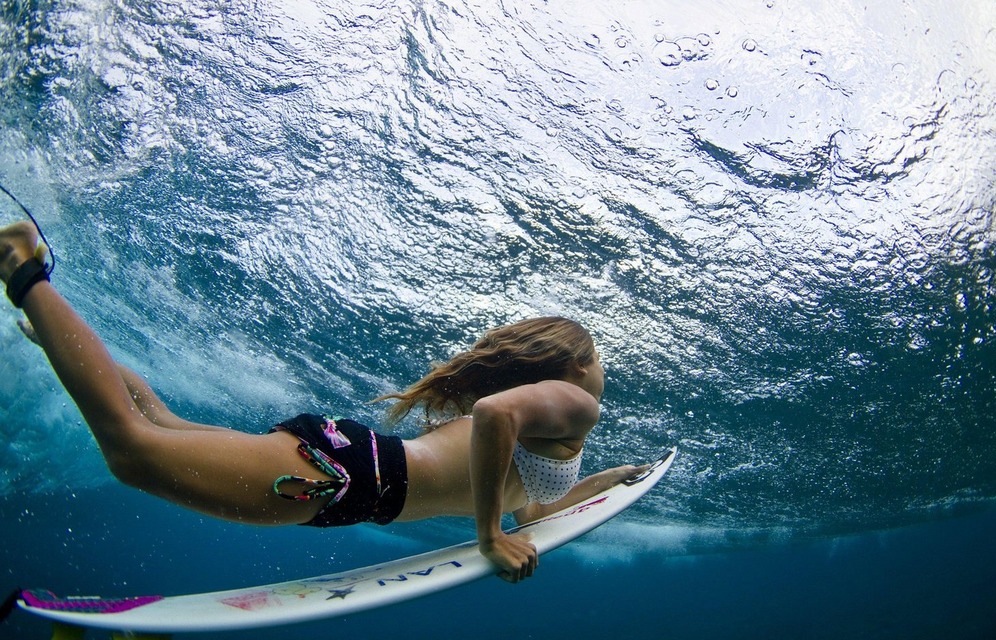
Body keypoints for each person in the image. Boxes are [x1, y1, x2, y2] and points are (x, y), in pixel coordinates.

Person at [1, 220, 644, 582]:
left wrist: (608, 485)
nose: (605, 375)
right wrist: (488, 537)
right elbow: (492, 417)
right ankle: (23, 268)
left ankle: (69, 344)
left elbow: (534, 507)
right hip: (345, 479)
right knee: (132, 453)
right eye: (603, 362)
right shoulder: (575, 404)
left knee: (162, 424)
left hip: (353, 469)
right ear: (578, 363)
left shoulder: (539, 439)